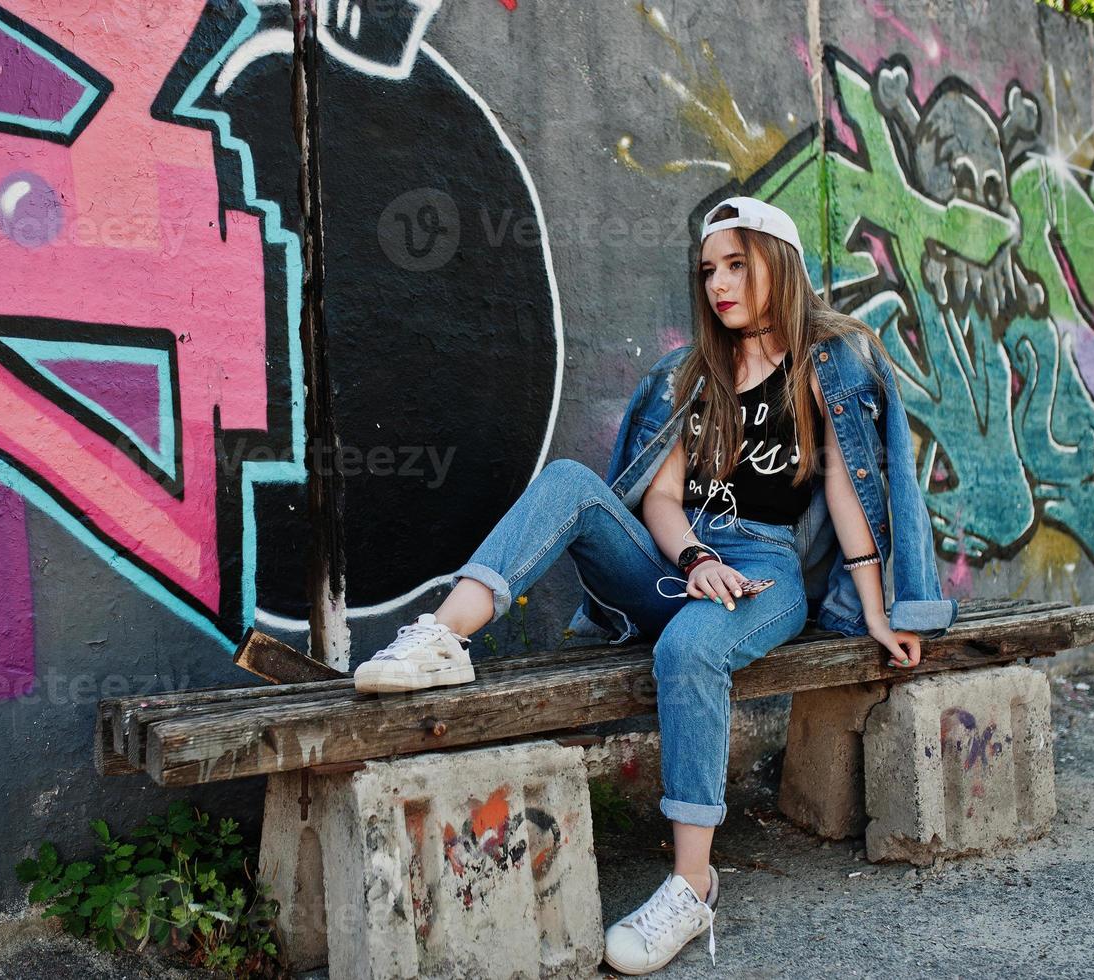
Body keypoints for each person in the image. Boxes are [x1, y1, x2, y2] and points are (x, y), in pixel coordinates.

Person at [351, 196, 955, 975]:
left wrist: (877, 610)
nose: (718, 284)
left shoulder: (830, 363)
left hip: (765, 572)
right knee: (571, 481)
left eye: (737, 265)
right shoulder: (688, 374)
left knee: (690, 649)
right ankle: (444, 637)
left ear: (781, 262)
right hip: (683, 562)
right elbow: (661, 498)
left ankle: (691, 884)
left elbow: (851, 493)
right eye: (708, 270)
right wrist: (695, 558)